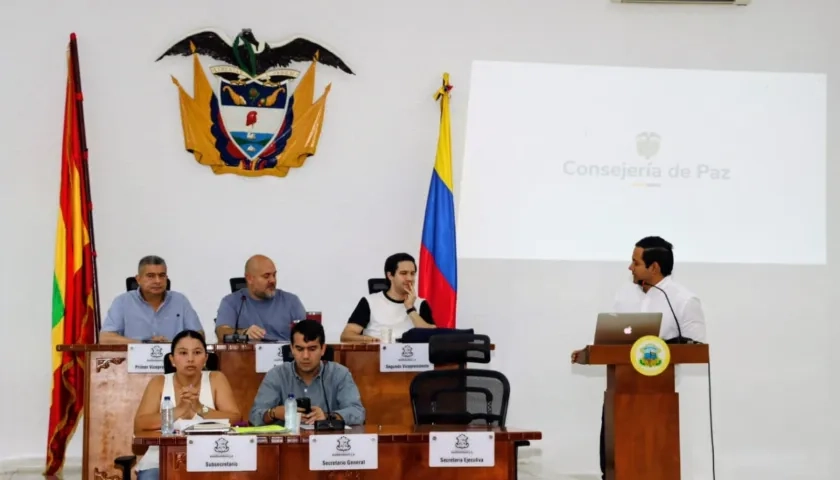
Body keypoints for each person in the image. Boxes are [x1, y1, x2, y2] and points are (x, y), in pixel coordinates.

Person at [571, 236, 707, 479]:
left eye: (635, 262)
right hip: (620, 390)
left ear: (654, 267)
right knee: (614, 460)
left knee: (651, 459)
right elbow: (614, 337)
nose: (630, 267)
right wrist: (591, 351)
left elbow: (695, 348)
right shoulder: (625, 294)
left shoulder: (684, 300)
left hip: (657, 396)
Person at [132, 330, 241, 480]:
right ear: (172, 359)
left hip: (210, 457)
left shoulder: (216, 379)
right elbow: (140, 425)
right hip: (162, 458)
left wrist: (199, 408)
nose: (190, 359)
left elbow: (235, 418)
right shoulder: (158, 383)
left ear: (205, 358)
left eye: (197, 352)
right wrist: (179, 410)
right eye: (183, 353)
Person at [249, 320, 365, 426]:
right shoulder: (277, 375)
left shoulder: (339, 374)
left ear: (323, 349)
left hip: (326, 443)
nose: (305, 356)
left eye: (312, 349)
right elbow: (254, 416)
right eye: (299, 349)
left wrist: (327, 416)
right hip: (289, 445)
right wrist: (274, 413)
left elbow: (358, 413)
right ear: (292, 349)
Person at [100, 256, 203, 344]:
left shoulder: (180, 301)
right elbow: (105, 339)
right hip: (133, 363)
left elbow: (199, 336)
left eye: (162, 276)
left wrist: (173, 345)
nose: (157, 281)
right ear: (138, 279)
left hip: (173, 362)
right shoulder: (122, 302)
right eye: (151, 276)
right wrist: (144, 344)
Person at [340, 252, 436, 343]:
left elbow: (432, 337)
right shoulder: (370, 302)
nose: (409, 278)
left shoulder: (421, 304)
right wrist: (370, 340)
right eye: (403, 273)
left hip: (411, 358)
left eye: (412, 273)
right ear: (390, 275)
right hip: (376, 357)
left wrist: (411, 309)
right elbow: (346, 335)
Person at [215, 254, 306, 342]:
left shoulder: (291, 302)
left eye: (274, 275)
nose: (273, 280)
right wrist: (244, 333)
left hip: (284, 356)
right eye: (266, 276)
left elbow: (307, 335)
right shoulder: (231, 302)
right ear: (250, 278)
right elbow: (221, 332)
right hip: (247, 356)